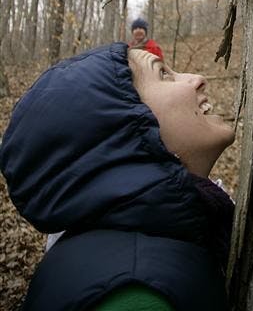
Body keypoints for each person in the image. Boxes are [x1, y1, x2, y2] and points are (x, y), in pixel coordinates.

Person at [0, 42, 235, 310]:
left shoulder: (123, 246)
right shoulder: (134, 295)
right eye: (163, 74)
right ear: (120, 131)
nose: (198, 79)